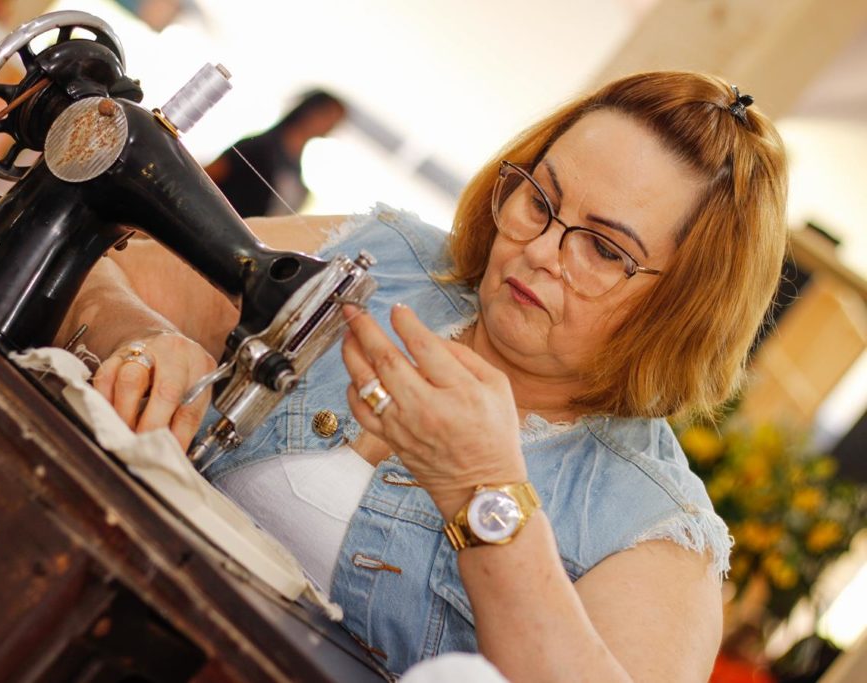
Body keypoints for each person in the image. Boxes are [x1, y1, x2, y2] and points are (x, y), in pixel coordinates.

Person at [57, 71, 788, 681]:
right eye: (539, 199)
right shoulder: (382, 259)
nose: (538, 251)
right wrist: (141, 336)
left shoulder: (653, 530)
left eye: (602, 248)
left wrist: (486, 494)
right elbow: (97, 267)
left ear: (686, 306)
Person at [203, 89, 346, 217]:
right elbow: (206, 177)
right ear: (310, 111)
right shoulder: (258, 146)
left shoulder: (295, 166)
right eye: (329, 116)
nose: (332, 125)